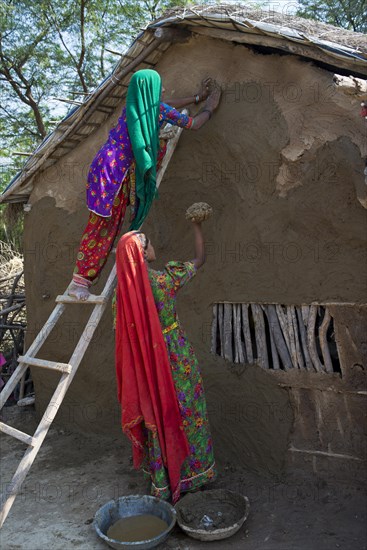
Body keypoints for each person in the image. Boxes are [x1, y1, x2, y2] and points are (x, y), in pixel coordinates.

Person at [68, 69, 221, 300]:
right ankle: (79, 283)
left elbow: (163, 104)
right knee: (102, 226)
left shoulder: (136, 108)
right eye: (159, 87)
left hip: (106, 168)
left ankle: (83, 280)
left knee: (106, 224)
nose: (162, 90)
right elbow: (193, 123)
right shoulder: (156, 111)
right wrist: (210, 106)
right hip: (114, 174)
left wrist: (195, 98)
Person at [114, 220, 216, 503]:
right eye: (148, 243)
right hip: (176, 357)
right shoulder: (164, 280)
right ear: (143, 254)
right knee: (188, 415)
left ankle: (163, 481)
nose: (153, 245)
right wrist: (196, 226)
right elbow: (200, 258)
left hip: (146, 366)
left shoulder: (121, 298)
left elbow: (124, 338)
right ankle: (193, 477)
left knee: (157, 417)